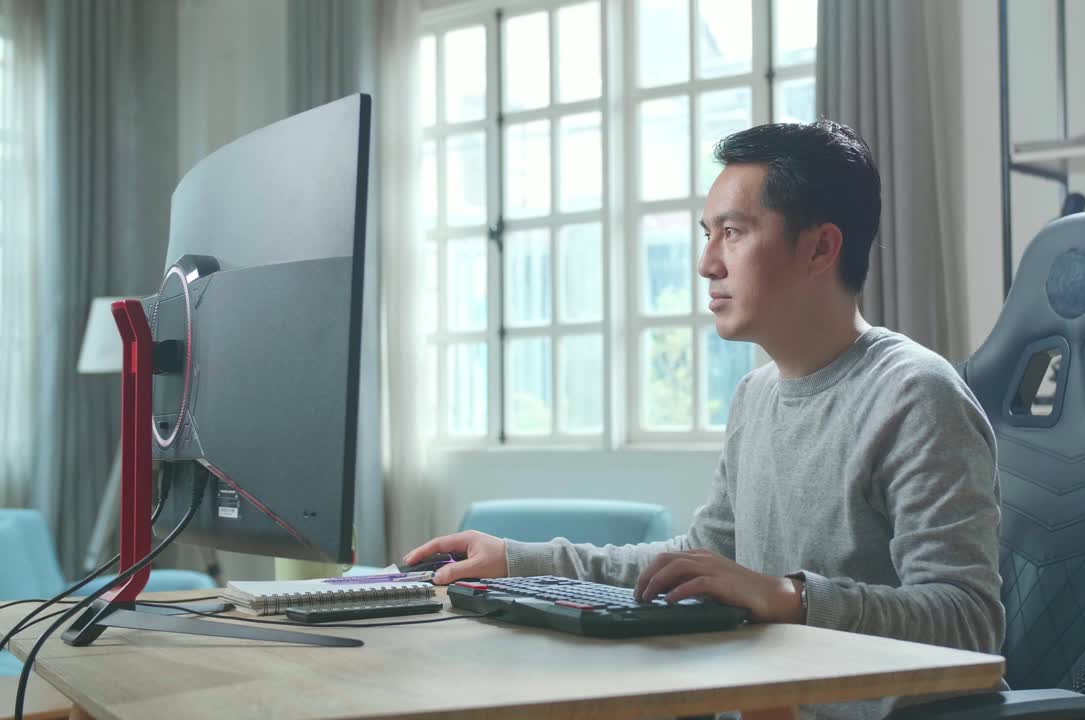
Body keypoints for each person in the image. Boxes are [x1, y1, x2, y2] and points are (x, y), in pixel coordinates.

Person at [404, 120, 1003, 720]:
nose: (706, 263)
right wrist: (518, 558)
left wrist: (785, 596)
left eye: (734, 233)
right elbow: (692, 562)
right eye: (707, 234)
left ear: (821, 247)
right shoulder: (755, 396)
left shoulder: (915, 395)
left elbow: (968, 623)